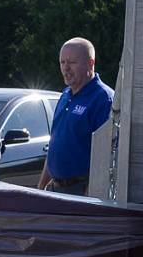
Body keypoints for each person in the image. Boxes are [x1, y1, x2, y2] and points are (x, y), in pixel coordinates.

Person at [38, 37, 114, 195]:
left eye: (72, 62)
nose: (66, 68)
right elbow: (55, 144)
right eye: (62, 62)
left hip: (81, 191)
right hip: (55, 189)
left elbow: (108, 154)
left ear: (90, 63)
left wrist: (90, 193)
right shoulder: (65, 95)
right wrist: (40, 189)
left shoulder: (103, 99)